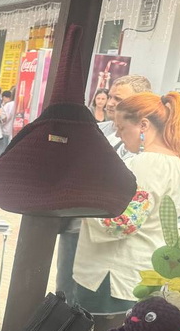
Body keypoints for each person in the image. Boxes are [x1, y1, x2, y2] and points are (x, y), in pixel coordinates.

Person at [71, 91, 180, 331]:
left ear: (143, 124)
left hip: (113, 275)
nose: (120, 137)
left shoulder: (147, 162)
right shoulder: (176, 162)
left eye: (121, 129)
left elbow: (124, 221)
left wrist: (83, 203)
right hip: (142, 271)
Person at [56, 76, 151, 305]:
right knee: (64, 294)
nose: (110, 102)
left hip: (107, 236)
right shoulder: (97, 130)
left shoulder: (144, 146)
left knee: (84, 303)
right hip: (76, 224)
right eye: (109, 96)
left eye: (118, 98)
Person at [0, 90, 16, 158]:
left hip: (4, 130)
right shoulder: (16, 104)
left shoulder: (9, 105)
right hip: (12, 132)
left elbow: (4, 117)